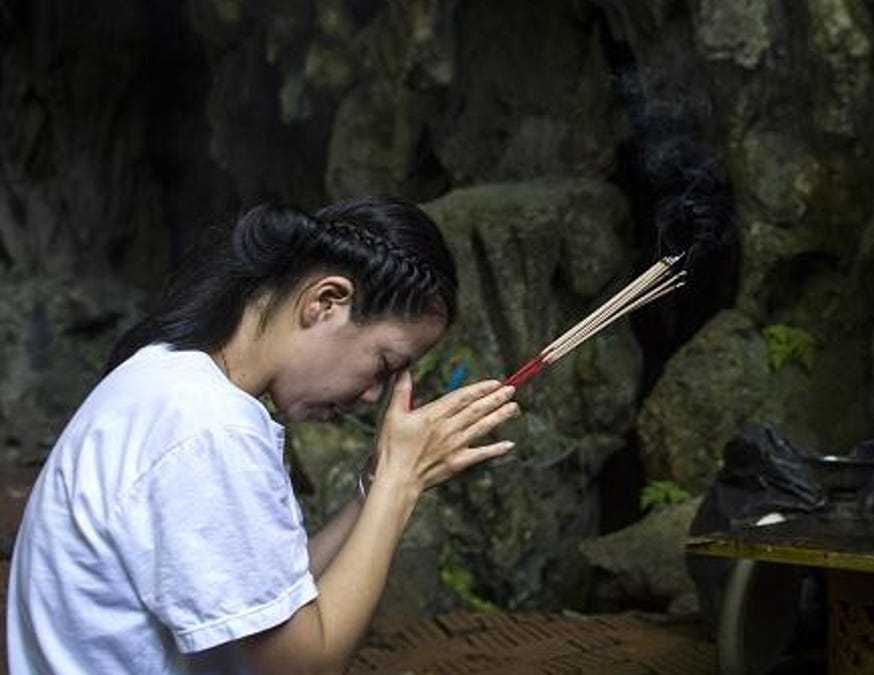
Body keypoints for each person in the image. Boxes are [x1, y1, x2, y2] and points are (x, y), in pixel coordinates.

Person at [6, 197, 521, 674]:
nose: (373, 396)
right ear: (326, 301)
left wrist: (375, 483)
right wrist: (399, 485)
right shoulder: (210, 427)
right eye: (384, 365)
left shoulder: (170, 378)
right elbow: (302, 666)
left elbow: (271, 599)